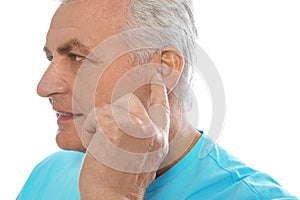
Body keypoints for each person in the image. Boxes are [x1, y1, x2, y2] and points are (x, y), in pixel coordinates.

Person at [17, 0, 297, 199]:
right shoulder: (50, 172)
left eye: (78, 57)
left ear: (162, 69)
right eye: (51, 57)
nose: (45, 87)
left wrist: (112, 196)